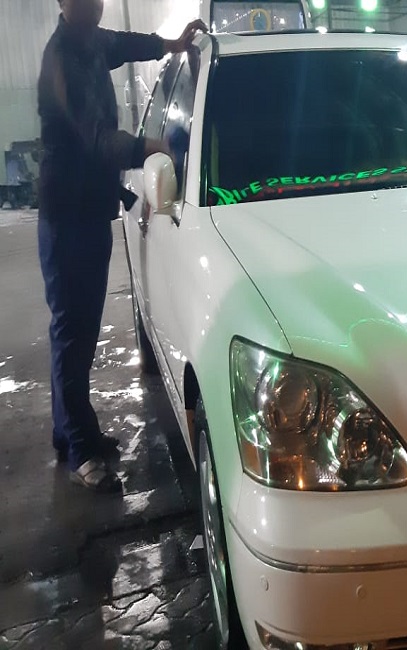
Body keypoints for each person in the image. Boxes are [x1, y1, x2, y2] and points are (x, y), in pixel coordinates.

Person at [36, 0, 207, 493]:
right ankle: (81, 450)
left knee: (78, 331)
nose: (94, 5)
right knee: (73, 333)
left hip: (90, 206)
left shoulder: (91, 40)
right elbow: (96, 139)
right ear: (63, 3)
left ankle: (70, 433)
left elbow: (126, 45)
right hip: (67, 216)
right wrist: (150, 148)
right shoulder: (61, 60)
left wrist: (171, 44)